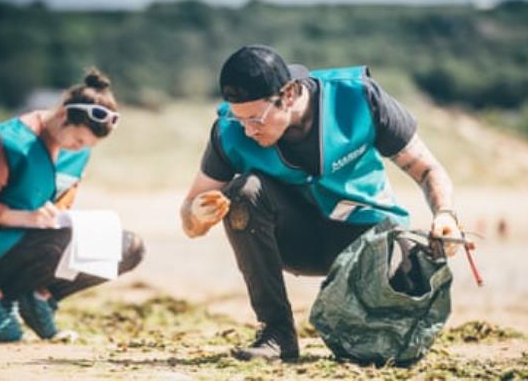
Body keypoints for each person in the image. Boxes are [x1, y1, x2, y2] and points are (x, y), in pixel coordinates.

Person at [180, 45, 462, 361]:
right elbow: (189, 214)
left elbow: (428, 170)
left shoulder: (360, 99)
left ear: (288, 94)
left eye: (256, 118)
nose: (247, 129)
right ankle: (277, 334)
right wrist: (196, 217)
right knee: (243, 193)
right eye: (239, 118)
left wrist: (445, 214)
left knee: (386, 332)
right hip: (295, 241)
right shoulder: (229, 132)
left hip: (367, 240)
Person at [0, 69, 145, 342]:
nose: (79, 149)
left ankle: (39, 297)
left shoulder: (77, 152)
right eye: (78, 140)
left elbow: (62, 206)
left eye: (87, 145)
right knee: (60, 241)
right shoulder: (8, 142)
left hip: (32, 243)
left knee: (128, 247)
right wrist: (25, 218)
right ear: (62, 115)